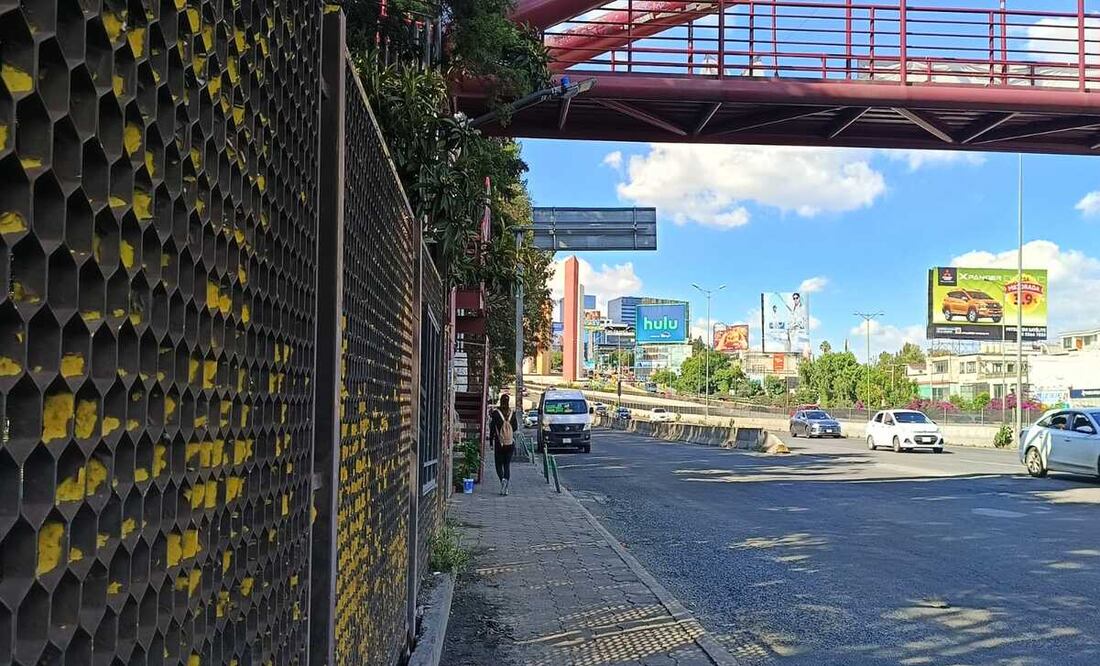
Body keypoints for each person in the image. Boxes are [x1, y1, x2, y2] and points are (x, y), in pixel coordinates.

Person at [489, 393, 520, 495]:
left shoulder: (496, 413)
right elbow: (515, 428)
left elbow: (492, 429)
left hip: (499, 443)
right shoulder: (512, 413)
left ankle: (502, 480)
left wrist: (491, 442)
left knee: (498, 464)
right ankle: (506, 487)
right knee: (507, 465)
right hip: (510, 443)